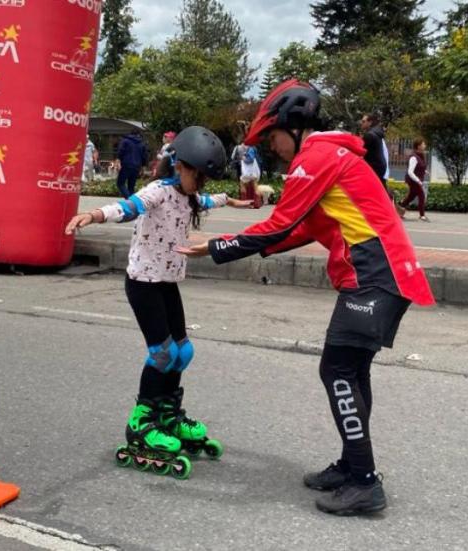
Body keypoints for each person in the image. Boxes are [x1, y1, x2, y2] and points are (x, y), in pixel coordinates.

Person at [176, 80, 435, 516]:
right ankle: (354, 466)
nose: (272, 148)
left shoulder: (315, 157)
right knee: (351, 371)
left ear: (294, 128)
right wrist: (243, 247)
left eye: (273, 137)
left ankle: (366, 481)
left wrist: (221, 246)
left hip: (373, 275)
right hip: (383, 275)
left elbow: (277, 225)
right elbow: (303, 228)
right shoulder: (333, 156)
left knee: (336, 369)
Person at [65, 126, 252, 480]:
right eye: (200, 176)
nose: (202, 184)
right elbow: (130, 207)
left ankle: (168, 414)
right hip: (143, 284)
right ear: (181, 165)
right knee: (162, 354)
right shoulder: (159, 191)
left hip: (167, 283)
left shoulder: (190, 196)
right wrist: (93, 215)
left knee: (183, 352)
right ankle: (142, 422)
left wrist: (234, 200)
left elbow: (212, 200)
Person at [399, 139, 430, 222]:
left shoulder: (420, 155)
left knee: (411, 197)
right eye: (423, 144)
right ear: (418, 146)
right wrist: (418, 181)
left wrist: (425, 171)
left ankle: (398, 209)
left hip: (416, 180)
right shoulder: (414, 157)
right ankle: (422, 215)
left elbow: (420, 166)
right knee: (421, 195)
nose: (425, 146)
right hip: (413, 180)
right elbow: (410, 172)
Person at [115, 130, 148, 198]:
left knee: (120, 183)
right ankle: (133, 204)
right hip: (137, 166)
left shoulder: (125, 141)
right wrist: (143, 167)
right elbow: (144, 156)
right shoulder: (142, 143)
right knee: (131, 187)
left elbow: (121, 151)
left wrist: (118, 160)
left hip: (126, 165)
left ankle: (131, 201)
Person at [360, 114, 388, 186]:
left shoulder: (369, 135)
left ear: (370, 122)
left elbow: (361, 151)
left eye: (363, 121)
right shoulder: (377, 133)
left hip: (373, 167)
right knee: (380, 188)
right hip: (380, 166)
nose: (361, 123)